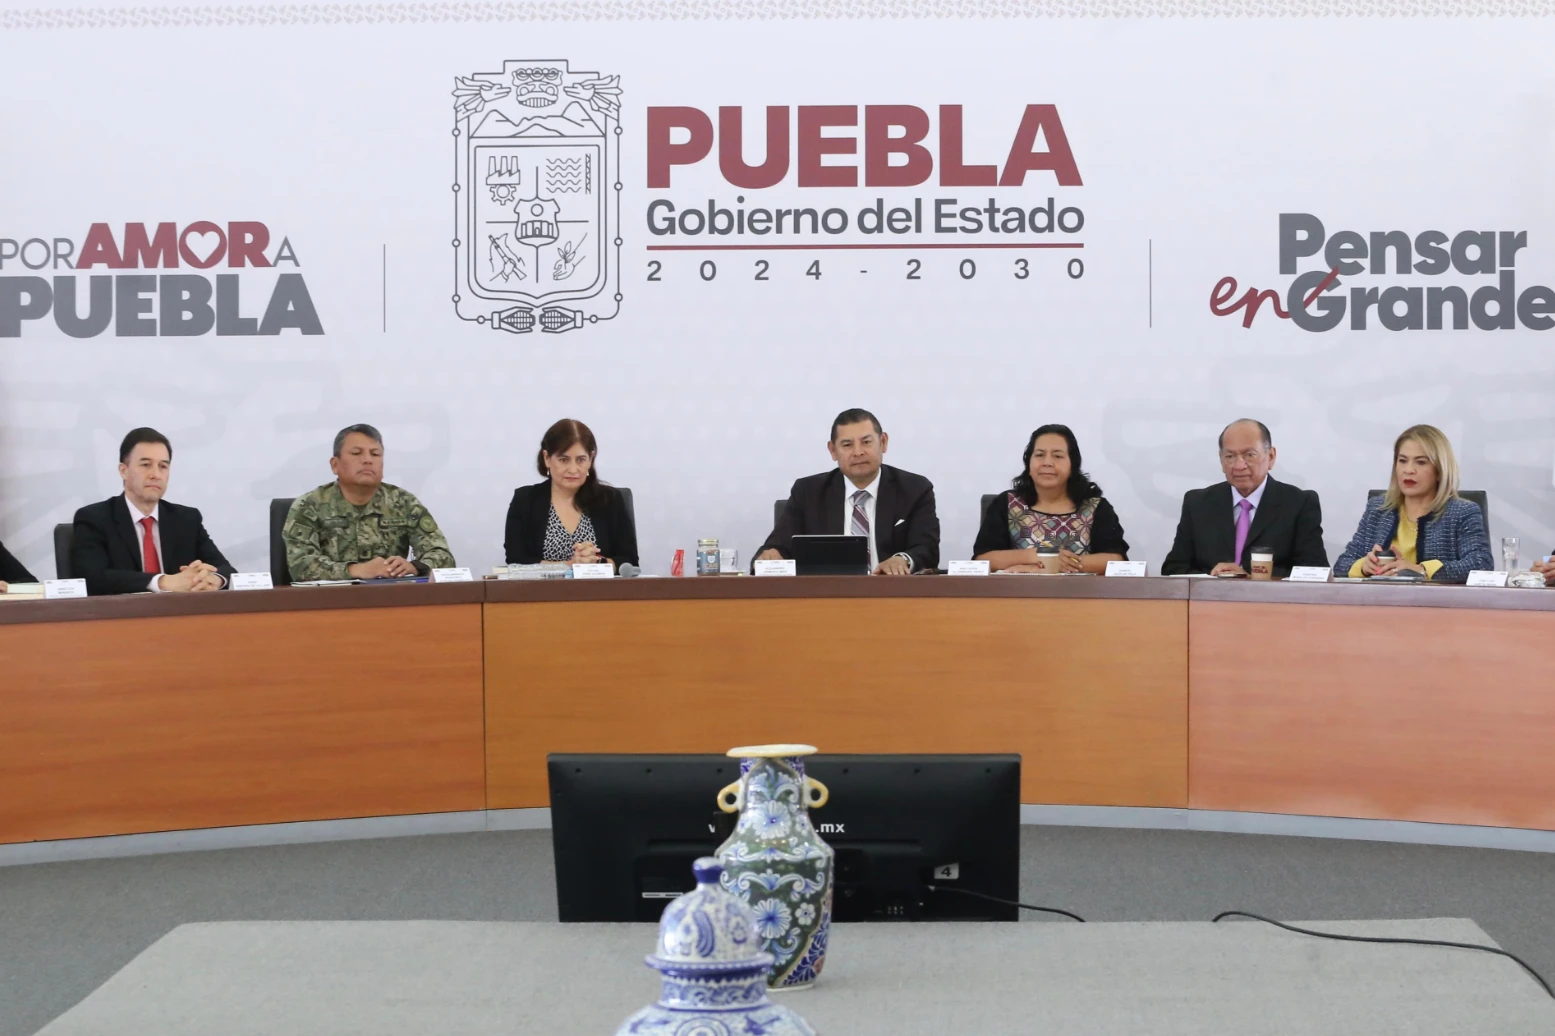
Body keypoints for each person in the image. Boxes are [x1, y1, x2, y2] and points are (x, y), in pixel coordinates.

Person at [756, 408, 939, 575]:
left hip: (892, 593)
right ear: (833, 450)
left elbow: (927, 549)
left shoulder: (914, 489)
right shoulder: (808, 493)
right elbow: (777, 547)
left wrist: (903, 559)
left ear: (883, 442)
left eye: (866, 442)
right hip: (825, 595)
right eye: (847, 445)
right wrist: (770, 557)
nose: (858, 452)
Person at [70, 427, 234, 595]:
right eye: (146, 465)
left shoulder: (187, 519)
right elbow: (91, 579)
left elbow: (228, 571)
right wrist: (163, 582)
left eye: (163, 466)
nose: (156, 474)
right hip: (123, 611)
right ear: (124, 471)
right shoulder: (94, 518)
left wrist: (214, 579)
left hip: (181, 611)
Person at [283, 423, 455, 581]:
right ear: (335, 465)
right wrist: (356, 570)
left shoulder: (403, 502)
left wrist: (415, 567)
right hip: (330, 600)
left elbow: (443, 556)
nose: (367, 460)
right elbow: (301, 565)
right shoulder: (309, 506)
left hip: (390, 598)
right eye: (356, 453)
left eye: (375, 454)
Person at [1161, 418, 1327, 578]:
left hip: (1270, 598)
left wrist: (1250, 578)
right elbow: (1173, 569)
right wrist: (1213, 578)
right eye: (1230, 456)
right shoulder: (1197, 503)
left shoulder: (1299, 504)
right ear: (1221, 460)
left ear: (1271, 457)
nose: (1239, 465)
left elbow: (1315, 572)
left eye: (1249, 455)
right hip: (1211, 596)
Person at [1332, 424, 1492, 583]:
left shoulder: (1462, 512)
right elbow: (1341, 565)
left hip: (1436, 599)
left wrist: (1421, 570)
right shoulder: (1378, 509)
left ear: (1440, 470)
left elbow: (1481, 565)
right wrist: (1364, 567)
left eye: (1420, 462)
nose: (1408, 470)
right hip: (1381, 598)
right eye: (1402, 461)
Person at [972, 424, 1128, 573]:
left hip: (1079, 592)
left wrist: (1054, 565)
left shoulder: (1095, 507)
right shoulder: (1006, 503)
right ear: (1029, 463)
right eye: (1039, 455)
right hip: (1018, 591)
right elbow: (982, 560)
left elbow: (1116, 560)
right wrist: (1035, 556)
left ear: (1073, 465)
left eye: (1057, 456)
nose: (1047, 463)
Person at [504, 418, 639, 570]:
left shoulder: (611, 500)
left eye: (581, 460)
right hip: (544, 586)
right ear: (546, 458)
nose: (573, 470)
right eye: (564, 460)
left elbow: (630, 561)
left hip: (599, 586)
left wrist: (596, 563)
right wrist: (568, 566)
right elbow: (515, 560)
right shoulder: (524, 500)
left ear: (591, 459)